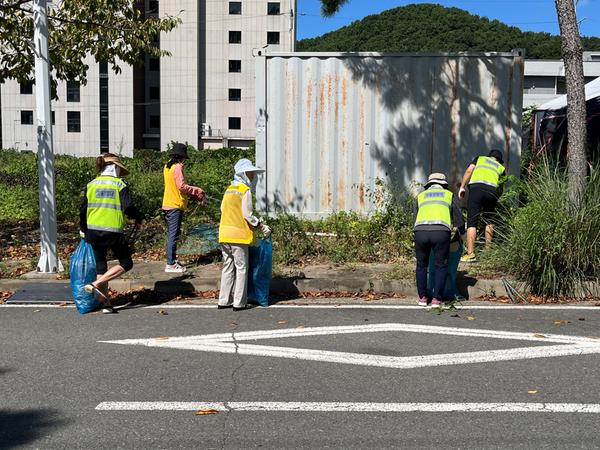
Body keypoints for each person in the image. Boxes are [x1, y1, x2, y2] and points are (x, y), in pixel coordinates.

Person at [80, 153, 144, 313]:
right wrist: (139, 217)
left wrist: (83, 229)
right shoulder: (119, 184)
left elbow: (83, 210)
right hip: (113, 232)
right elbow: (128, 207)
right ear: (115, 167)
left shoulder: (92, 184)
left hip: (92, 231)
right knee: (126, 263)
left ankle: (106, 304)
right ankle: (96, 285)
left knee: (101, 266)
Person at [217, 159, 271, 311]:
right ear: (244, 174)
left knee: (228, 267)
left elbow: (222, 209)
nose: (253, 176)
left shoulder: (229, 189)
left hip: (224, 234)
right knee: (241, 268)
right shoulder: (244, 190)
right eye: (251, 173)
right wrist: (261, 225)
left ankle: (224, 300)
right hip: (238, 236)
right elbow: (247, 214)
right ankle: (239, 303)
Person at [414, 173, 465, 307]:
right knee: (441, 265)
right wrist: (462, 236)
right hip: (441, 232)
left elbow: (414, 217)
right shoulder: (448, 195)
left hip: (420, 232)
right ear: (444, 185)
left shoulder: (420, 196)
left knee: (421, 265)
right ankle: (437, 299)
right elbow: (459, 219)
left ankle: (422, 298)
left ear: (429, 184)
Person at [162, 142, 205, 273]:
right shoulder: (178, 167)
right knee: (173, 235)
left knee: (171, 234)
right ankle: (170, 264)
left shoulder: (167, 166)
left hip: (167, 203)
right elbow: (181, 186)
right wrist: (196, 190)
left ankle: (172, 260)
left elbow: (175, 186)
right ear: (182, 157)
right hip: (175, 205)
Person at [458, 149, 506, 263]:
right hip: (492, 192)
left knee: (472, 221)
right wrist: (496, 197)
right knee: (489, 221)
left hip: (477, 190)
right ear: (499, 160)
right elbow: (501, 187)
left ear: (489, 156)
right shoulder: (501, 167)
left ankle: (470, 254)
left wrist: (462, 186)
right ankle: (487, 252)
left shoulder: (480, 159)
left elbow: (469, 171)